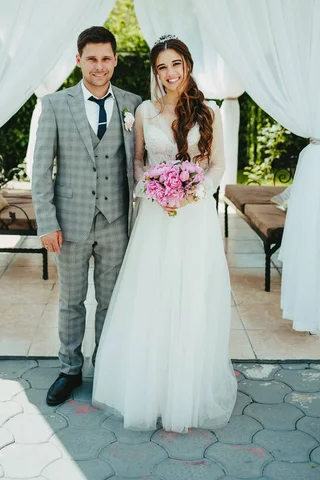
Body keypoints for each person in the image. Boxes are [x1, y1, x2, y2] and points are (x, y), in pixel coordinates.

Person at [92, 36, 237, 433]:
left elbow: (218, 165)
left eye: (176, 64)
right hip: (156, 219)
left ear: (188, 64)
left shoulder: (210, 112)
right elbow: (138, 163)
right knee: (152, 298)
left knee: (190, 298)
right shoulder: (143, 111)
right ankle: (149, 389)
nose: (170, 73)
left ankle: (184, 391)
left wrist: (193, 190)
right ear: (154, 73)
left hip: (194, 219)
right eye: (161, 67)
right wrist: (154, 190)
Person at [32, 26, 142, 406]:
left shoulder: (134, 104)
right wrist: (46, 221)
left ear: (115, 60)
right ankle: (69, 369)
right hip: (70, 223)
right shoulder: (55, 104)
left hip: (116, 224)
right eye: (91, 58)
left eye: (106, 58)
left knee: (112, 302)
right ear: (79, 59)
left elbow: (140, 164)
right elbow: (41, 169)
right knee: (71, 301)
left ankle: (107, 368)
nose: (99, 66)